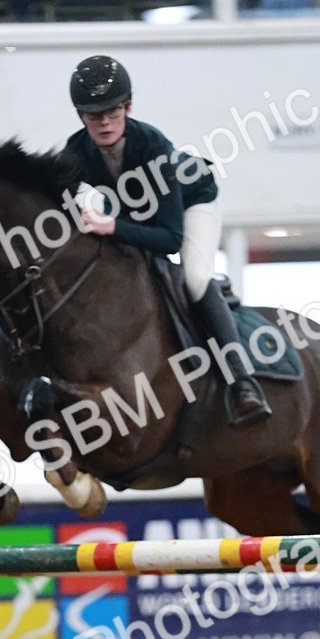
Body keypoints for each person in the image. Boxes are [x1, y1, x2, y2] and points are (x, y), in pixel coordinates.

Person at [65, 54, 270, 425]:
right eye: (94, 115)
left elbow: (170, 239)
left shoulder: (155, 147)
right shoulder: (75, 151)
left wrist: (112, 228)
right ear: (81, 116)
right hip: (134, 215)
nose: (105, 122)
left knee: (193, 278)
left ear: (128, 107)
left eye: (112, 111)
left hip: (191, 205)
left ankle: (243, 380)